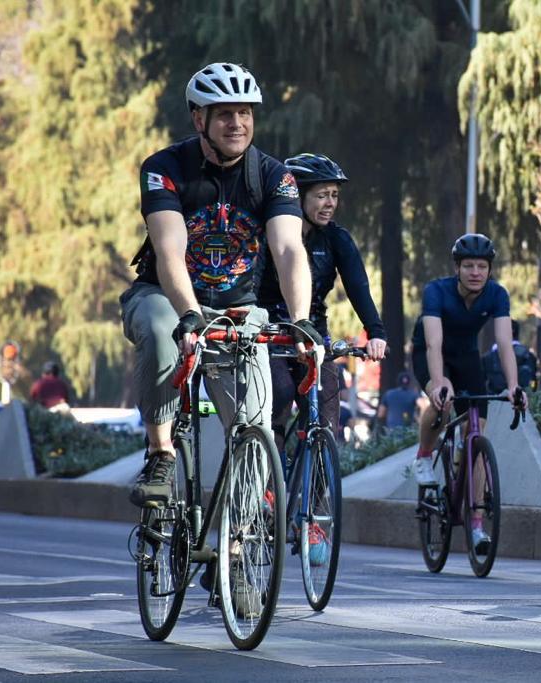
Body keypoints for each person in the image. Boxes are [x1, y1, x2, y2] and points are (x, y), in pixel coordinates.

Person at [122, 62, 320, 510]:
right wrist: (189, 314)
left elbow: (289, 250)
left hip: (236, 310)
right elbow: (170, 249)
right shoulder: (164, 168)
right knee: (159, 328)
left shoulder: (274, 176)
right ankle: (160, 453)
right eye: (225, 113)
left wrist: (302, 320)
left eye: (245, 112)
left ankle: (236, 546)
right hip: (164, 296)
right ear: (200, 120)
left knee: (255, 428)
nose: (238, 123)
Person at [258, 153, 386, 447]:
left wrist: (376, 332)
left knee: (327, 408)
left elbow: (358, 286)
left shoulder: (335, 238)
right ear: (296, 196)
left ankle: (317, 487)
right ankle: (269, 484)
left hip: (314, 333)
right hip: (270, 333)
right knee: (280, 393)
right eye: (321, 196)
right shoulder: (266, 233)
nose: (330, 203)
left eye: (334, 195)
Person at [410, 234, 528, 552]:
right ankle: (423, 456)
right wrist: (438, 384)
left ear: (489, 270)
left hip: (467, 357)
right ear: (457, 268)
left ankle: (476, 526)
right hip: (430, 353)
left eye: (481, 266)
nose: (475, 272)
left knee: (477, 437)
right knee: (443, 402)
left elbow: (505, 343)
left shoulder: (496, 295)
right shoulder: (436, 291)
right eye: (468, 266)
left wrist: (514, 385)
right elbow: (433, 343)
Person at [483, 319, 538, 393]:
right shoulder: (530, 356)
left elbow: (481, 384)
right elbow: (533, 382)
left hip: (494, 401)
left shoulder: (488, 357)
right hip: (522, 401)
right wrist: (531, 393)